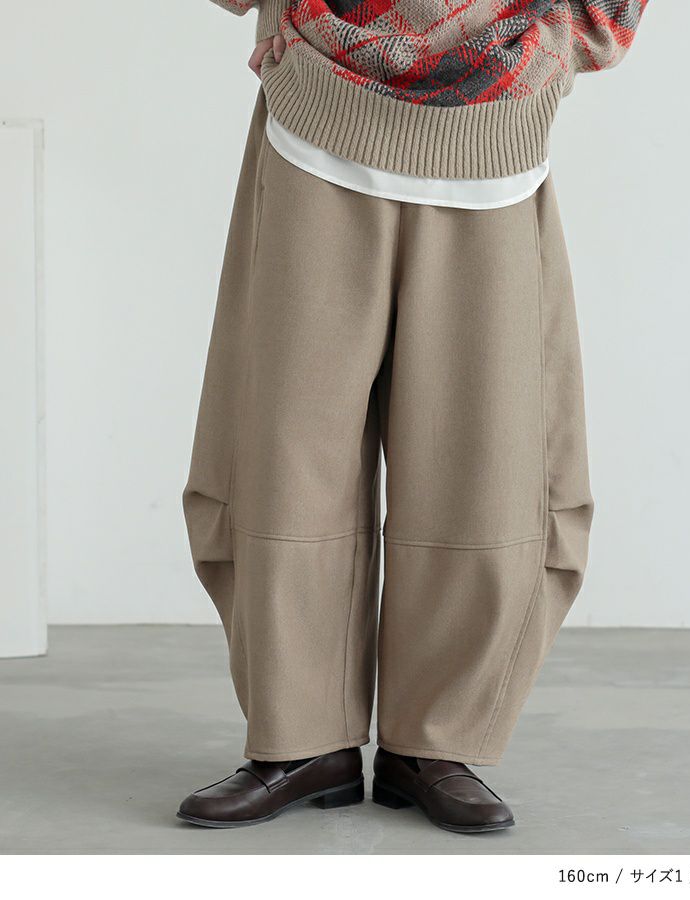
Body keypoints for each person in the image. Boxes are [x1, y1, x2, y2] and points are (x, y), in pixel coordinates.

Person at [178, 0, 648, 833]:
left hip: (494, 122)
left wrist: (555, 46)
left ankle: (436, 742)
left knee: (486, 457)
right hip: (316, 108)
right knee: (285, 447)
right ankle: (300, 740)